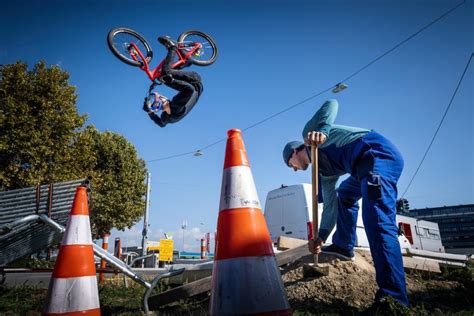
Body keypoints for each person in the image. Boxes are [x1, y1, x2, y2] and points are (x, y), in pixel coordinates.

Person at [282, 99, 409, 307]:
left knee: (376, 220)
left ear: (295, 151)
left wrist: (322, 130)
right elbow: (330, 208)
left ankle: (393, 299)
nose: (294, 169)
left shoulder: (310, 134)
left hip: (377, 154)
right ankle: (342, 245)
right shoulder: (323, 172)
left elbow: (331, 103)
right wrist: (321, 237)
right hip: (361, 168)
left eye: (291, 165)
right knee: (345, 195)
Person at [142, 36, 203, 127]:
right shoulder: (176, 107)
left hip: (188, 84)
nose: (165, 98)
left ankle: (186, 61)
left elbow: (161, 124)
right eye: (162, 98)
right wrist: (173, 80)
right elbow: (189, 89)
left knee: (161, 77)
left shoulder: (166, 117)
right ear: (162, 101)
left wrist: (150, 112)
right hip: (194, 81)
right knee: (166, 72)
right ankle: (173, 46)